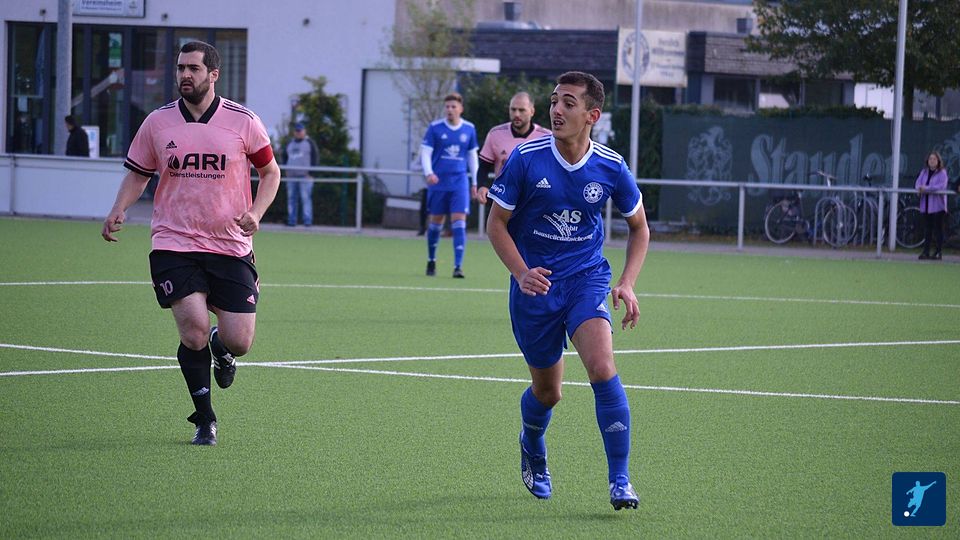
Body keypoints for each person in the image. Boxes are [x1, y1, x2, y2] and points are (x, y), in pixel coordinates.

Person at [101, 41, 280, 446]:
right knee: (193, 331)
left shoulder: (244, 121)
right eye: (181, 68)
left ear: (213, 75)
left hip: (229, 244)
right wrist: (118, 208)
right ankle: (205, 418)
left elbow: (271, 173)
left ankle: (222, 346)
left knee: (240, 341)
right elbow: (139, 173)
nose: (185, 75)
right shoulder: (157, 123)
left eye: (193, 69)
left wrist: (256, 213)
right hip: (174, 242)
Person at [486, 71, 649, 511]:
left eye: (568, 103)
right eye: (554, 101)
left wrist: (627, 282)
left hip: (585, 278)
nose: (556, 110)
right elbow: (496, 224)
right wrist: (521, 272)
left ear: (591, 116)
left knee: (602, 366)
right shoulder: (526, 159)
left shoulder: (611, 166)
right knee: (548, 393)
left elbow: (639, 228)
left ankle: (620, 480)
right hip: (535, 287)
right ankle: (532, 442)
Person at [420, 92, 478, 278]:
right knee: (436, 223)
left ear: (461, 109)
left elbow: (472, 156)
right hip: (438, 182)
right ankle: (431, 260)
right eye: (447, 107)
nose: (450, 110)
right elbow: (425, 152)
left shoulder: (469, 128)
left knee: (459, 222)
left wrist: (475, 181)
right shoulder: (435, 128)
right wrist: (429, 173)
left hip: (459, 182)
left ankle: (458, 266)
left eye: (453, 106)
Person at [476, 92, 551, 205]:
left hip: (535, 200)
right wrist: (481, 186)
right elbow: (483, 166)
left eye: (521, 110)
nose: (516, 114)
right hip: (503, 199)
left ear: (532, 111)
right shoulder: (495, 134)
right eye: (513, 109)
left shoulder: (547, 137)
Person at [283, 122, 320, 226]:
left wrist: (311, 173)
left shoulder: (310, 143)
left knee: (305, 198)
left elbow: (315, 157)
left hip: (305, 176)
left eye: (300, 131)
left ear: (304, 131)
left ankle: (307, 221)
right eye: (297, 131)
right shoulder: (290, 143)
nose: (298, 133)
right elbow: (284, 156)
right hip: (291, 176)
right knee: (291, 199)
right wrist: (286, 170)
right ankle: (292, 220)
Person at [915, 151, 949, 260]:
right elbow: (918, 184)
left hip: (938, 206)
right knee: (927, 230)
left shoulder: (942, 173)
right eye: (930, 159)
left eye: (934, 159)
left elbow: (941, 186)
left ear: (938, 161)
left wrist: (926, 188)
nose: (932, 161)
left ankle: (938, 252)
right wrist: (920, 188)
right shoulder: (924, 172)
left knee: (938, 230)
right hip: (926, 205)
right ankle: (926, 252)